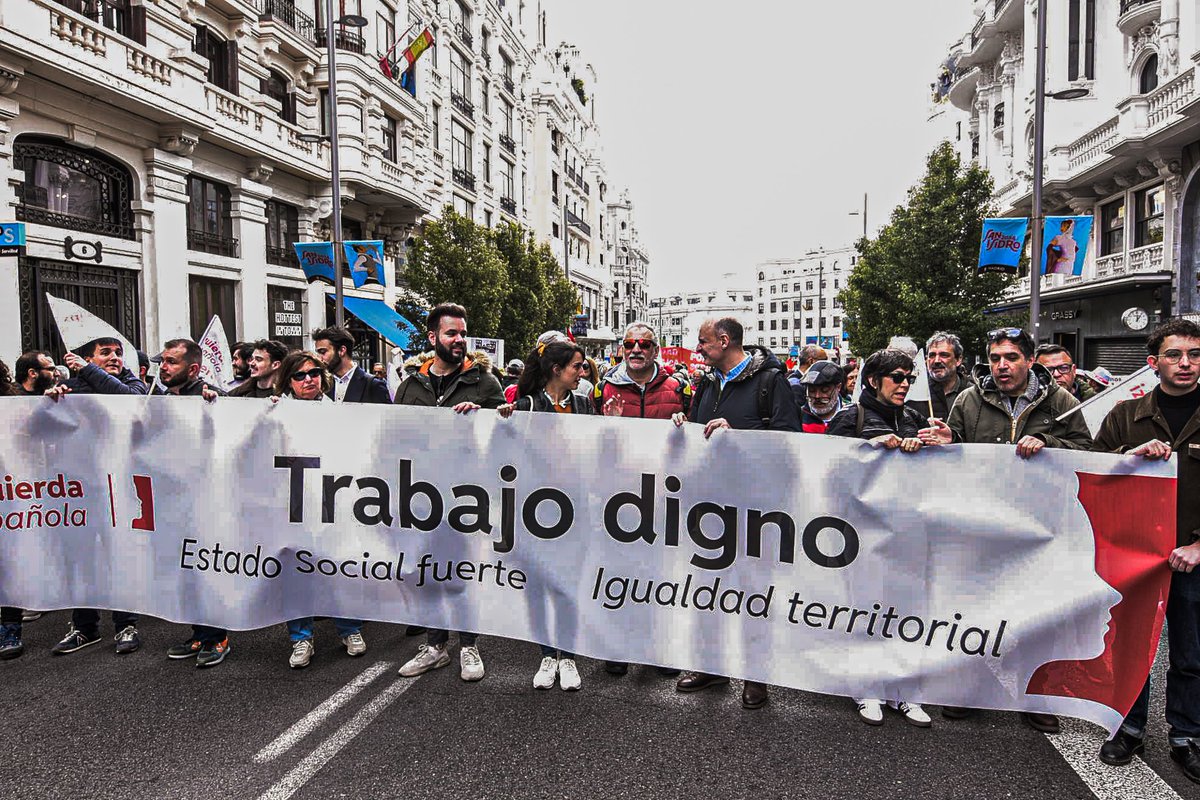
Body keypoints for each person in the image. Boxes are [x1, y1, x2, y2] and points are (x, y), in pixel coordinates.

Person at [922, 326, 1093, 732]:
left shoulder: (1062, 401)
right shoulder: (969, 399)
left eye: (1011, 358)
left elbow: (1088, 451)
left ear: (1030, 361)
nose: (1002, 366)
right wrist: (949, 438)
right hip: (984, 522)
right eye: (996, 358)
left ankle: (1035, 695)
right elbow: (956, 446)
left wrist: (1049, 443)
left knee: (1036, 612)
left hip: (1040, 526)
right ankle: (970, 689)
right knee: (977, 608)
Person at [670, 317, 800, 710]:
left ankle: (757, 675)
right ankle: (711, 666)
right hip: (710, 506)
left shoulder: (770, 382)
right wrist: (683, 425)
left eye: (704, 342)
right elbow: (699, 435)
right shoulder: (707, 383)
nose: (699, 348)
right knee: (707, 589)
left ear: (724, 341)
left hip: (755, 507)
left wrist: (737, 436)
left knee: (753, 592)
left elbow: (787, 440)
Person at [1091, 319, 1200, 781]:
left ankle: (1186, 736)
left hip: (1192, 559)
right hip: (1138, 556)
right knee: (1134, 646)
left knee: (1191, 653)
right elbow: (1093, 475)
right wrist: (1128, 458)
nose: (1187, 364)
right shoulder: (1123, 416)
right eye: (1175, 355)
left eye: (1195, 354)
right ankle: (1128, 727)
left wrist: (1199, 546)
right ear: (1153, 363)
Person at [395, 303, 505, 682]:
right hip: (422, 497)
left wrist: (485, 419)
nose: (459, 341)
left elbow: (506, 436)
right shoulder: (409, 386)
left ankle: (469, 644)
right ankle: (435, 645)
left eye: (463, 334)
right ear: (433, 338)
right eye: (451, 334)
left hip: (468, 497)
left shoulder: (485, 383)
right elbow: (395, 438)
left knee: (463, 570)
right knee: (428, 571)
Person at [826, 349, 932, 728]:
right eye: (897, 378)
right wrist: (867, 451)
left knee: (907, 612)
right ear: (873, 381)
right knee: (866, 611)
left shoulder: (917, 419)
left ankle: (904, 690)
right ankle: (867, 687)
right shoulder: (848, 420)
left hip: (908, 534)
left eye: (909, 378)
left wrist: (940, 444)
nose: (905, 384)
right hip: (862, 534)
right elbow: (826, 471)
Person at [591, 322, 689, 677]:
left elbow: (695, 433)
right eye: (629, 343)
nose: (635, 349)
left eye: (643, 344)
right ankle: (617, 647)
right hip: (619, 497)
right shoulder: (603, 389)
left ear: (655, 350)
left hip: (665, 496)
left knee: (662, 576)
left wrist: (686, 421)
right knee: (619, 574)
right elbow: (584, 441)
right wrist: (607, 426)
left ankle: (660, 650)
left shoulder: (679, 387)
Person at [497, 340, 594, 691]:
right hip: (534, 511)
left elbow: (596, 451)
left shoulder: (585, 405)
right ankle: (546, 656)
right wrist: (501, 422)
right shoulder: (524, 407)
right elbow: (504, 453)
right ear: (557, 369)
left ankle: (567, 656)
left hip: (574, 509)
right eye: (577, 367)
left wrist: (611, 425)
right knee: (537, 586)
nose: (582, 373)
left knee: (567, 585)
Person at [42, 337, 147, 656]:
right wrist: (49, 402)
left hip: (119, 485)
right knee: (82, 558)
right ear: (87, 358)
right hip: (80, 487)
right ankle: (84, 627)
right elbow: (42, 429)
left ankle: (126, 623)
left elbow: (129, 400)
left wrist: (89, 369)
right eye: (106, 353)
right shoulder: (70, 390)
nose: (115, 357)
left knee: (118, 553)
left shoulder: (133, 384)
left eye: (118, 353)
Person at [274, 350, 368, 668]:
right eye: (299, 375)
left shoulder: (339, 413)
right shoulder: (274, 414)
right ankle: (301, 639)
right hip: (293, 505)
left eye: (313, 372)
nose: (308, 380)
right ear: (288, 381)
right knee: (296, 571)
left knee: (339, 566)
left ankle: (349, 629)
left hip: (333, 501)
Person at [143, 339, 230, 667]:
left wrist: (216, 403)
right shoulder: (160, 401)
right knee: (185, 571)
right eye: (162, 361)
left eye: (171, 362)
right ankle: (199, 634)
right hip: (171, 501)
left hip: (206, 503)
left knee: (207, 568)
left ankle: (217, 636)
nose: (163, 367)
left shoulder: (208, 397)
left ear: (193, 369)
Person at [311, 326, 391, 404]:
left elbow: (386, 416)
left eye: (322, 352)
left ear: (342, 350)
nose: (319, 358)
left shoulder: (373, 385)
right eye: (317, 353)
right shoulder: (324, 385)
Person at [909, 332, 968, 421]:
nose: (936, 361)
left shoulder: (973, 393)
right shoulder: (915, 391)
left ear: (958, 360)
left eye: (944, 355)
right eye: (932, 355)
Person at [796, 360, 845, 433]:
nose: (817, 396)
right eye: (812, 390)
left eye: (824, 390)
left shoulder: (851, 416)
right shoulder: (796, 418)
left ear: (838, 387)